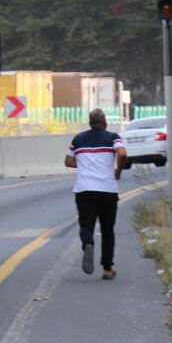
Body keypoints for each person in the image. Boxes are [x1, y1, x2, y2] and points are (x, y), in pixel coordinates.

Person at [64, 109, 127, 279]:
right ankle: (107, 269)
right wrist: (118, 171)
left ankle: (88, 244)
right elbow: (122, 153)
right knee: (107, 230)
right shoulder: (113, 137)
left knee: (86, 226)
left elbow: (68, 161)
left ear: (89, 122)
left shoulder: (78, 139)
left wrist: (85, 164)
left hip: (84, 190)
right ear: (104, 122)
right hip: (107, 190)